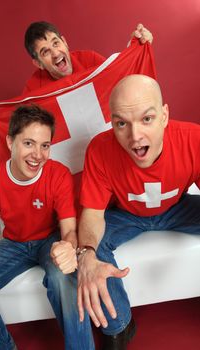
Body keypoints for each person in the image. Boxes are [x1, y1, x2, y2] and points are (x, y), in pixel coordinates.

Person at [77, 74, 200, 350]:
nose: (135, 136)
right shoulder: (99, 149)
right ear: (112, 123)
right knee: (89, 249)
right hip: (126, 215)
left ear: (165, 115)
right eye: (122, 123)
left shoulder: (194, 138)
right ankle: (119, 326)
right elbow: (93, 214)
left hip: (177, 208)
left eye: (147, 119)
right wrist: (86, 253)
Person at [0, 104, 94, 350]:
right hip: (13, 243)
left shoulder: (58, 174)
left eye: (44, 145)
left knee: (63, 278)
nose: (38, 154)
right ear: (10, 142)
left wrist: (69, 249)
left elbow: (68, 230)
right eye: (28, 143)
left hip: (51, 239)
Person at [0, 21, 153, 115]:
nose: (55, 53)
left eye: (56, 43)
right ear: (38, 63)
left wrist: (135, 48)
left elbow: (122, 85)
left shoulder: (90, 59)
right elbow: (20, 127)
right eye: (45, 52)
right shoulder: (33, 88)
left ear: (65, 43)